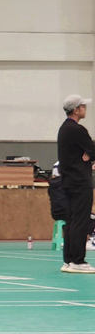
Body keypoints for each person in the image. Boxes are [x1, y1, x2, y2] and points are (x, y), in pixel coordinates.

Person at [57, 94, 95, 273]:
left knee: (72, 220)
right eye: (83, 106)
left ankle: (69, 260)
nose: (85, 109)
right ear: (76, 110)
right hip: (80, 182)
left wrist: (89, 154)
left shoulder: (64, 128)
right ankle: (78, 261)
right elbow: (93, 149)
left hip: (69, 182)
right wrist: (90, 154)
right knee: (81, 220)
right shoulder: (77, 129)